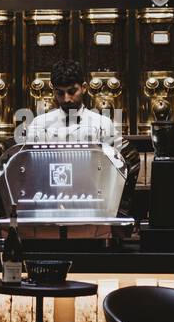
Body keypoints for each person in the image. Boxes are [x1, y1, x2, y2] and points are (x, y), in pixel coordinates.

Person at [8, 58, 139, 216]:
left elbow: (117, 168)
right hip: (47, 206)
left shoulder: (102, 123)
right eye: (60, 93)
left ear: (84, 88)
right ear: (52, 90)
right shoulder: (39, 124)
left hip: (93, 206)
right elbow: (29, 170)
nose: (66, 99)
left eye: (71, 91)